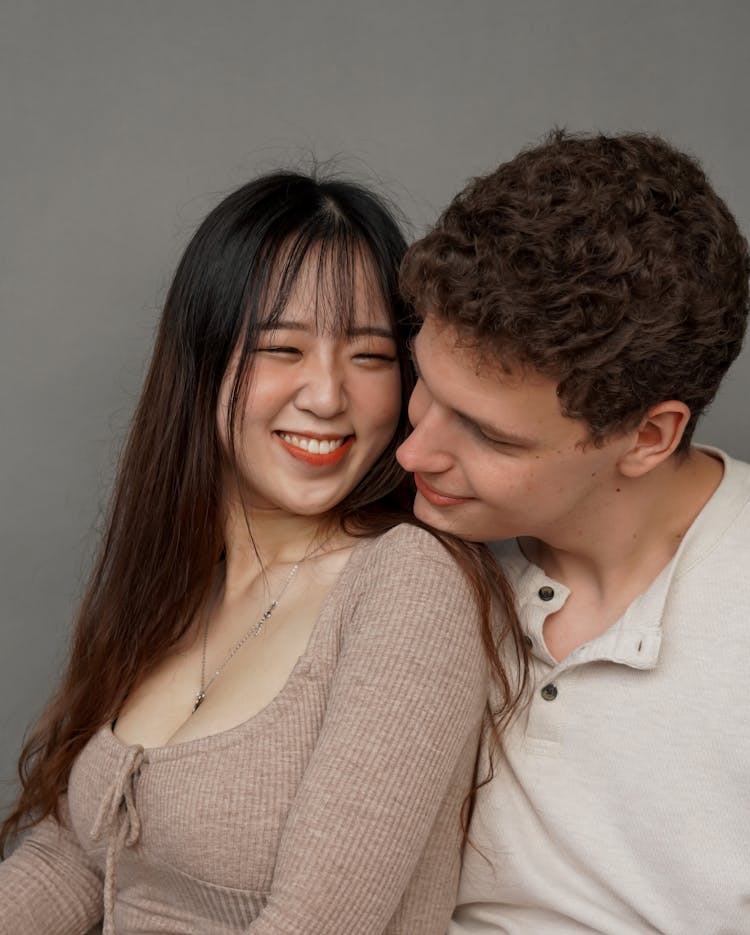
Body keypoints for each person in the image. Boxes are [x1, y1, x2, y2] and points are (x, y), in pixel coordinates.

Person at [0, 172, 523, 934]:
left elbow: (318, 922)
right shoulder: (181, 583)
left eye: (371, 357)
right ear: (202, 362)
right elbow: (73, 856)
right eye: (282, 347)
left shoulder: (407, 583)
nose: (325, 395)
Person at [396, 130, 750, 934]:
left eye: (491, 436)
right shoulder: (409, 550)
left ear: (650, 436)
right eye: (424, 383)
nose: (413, 449)